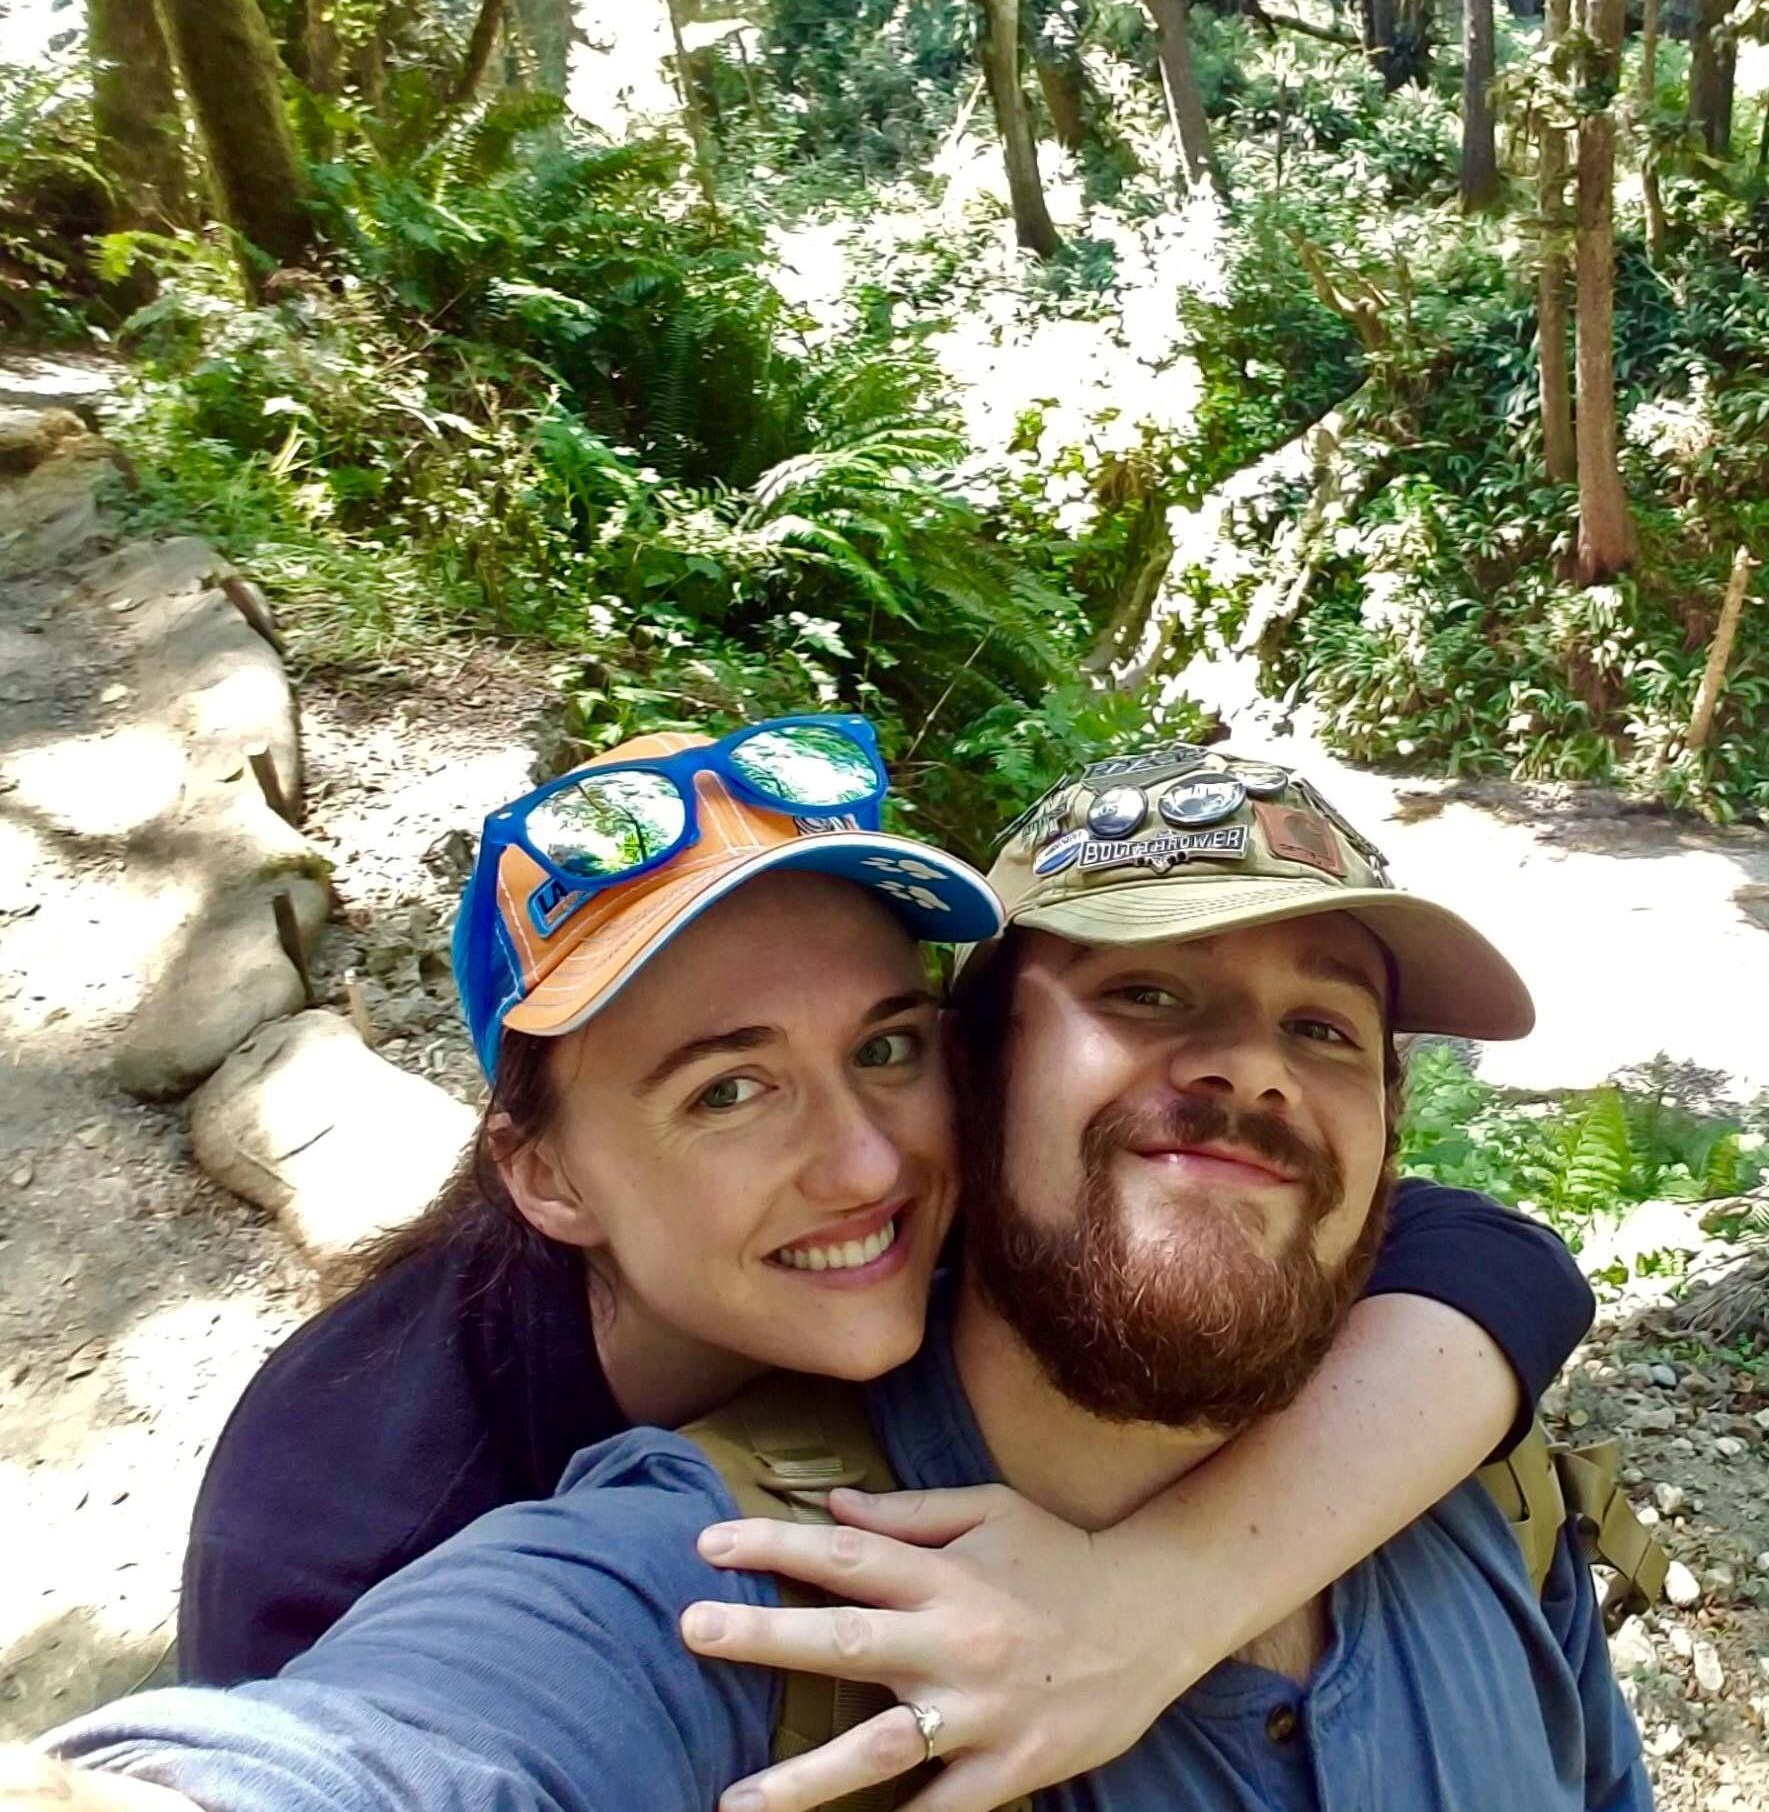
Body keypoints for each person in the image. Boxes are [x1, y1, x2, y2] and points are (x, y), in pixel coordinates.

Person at [17, 744, 1645, 1812]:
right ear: (550, 1175)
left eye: (1325, 1028)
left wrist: (1160, 1601)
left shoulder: (1472, 1493)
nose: (867, 1167)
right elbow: (379, 1747)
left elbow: (1499, 1254)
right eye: (1145, 994)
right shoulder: (400, 1514)